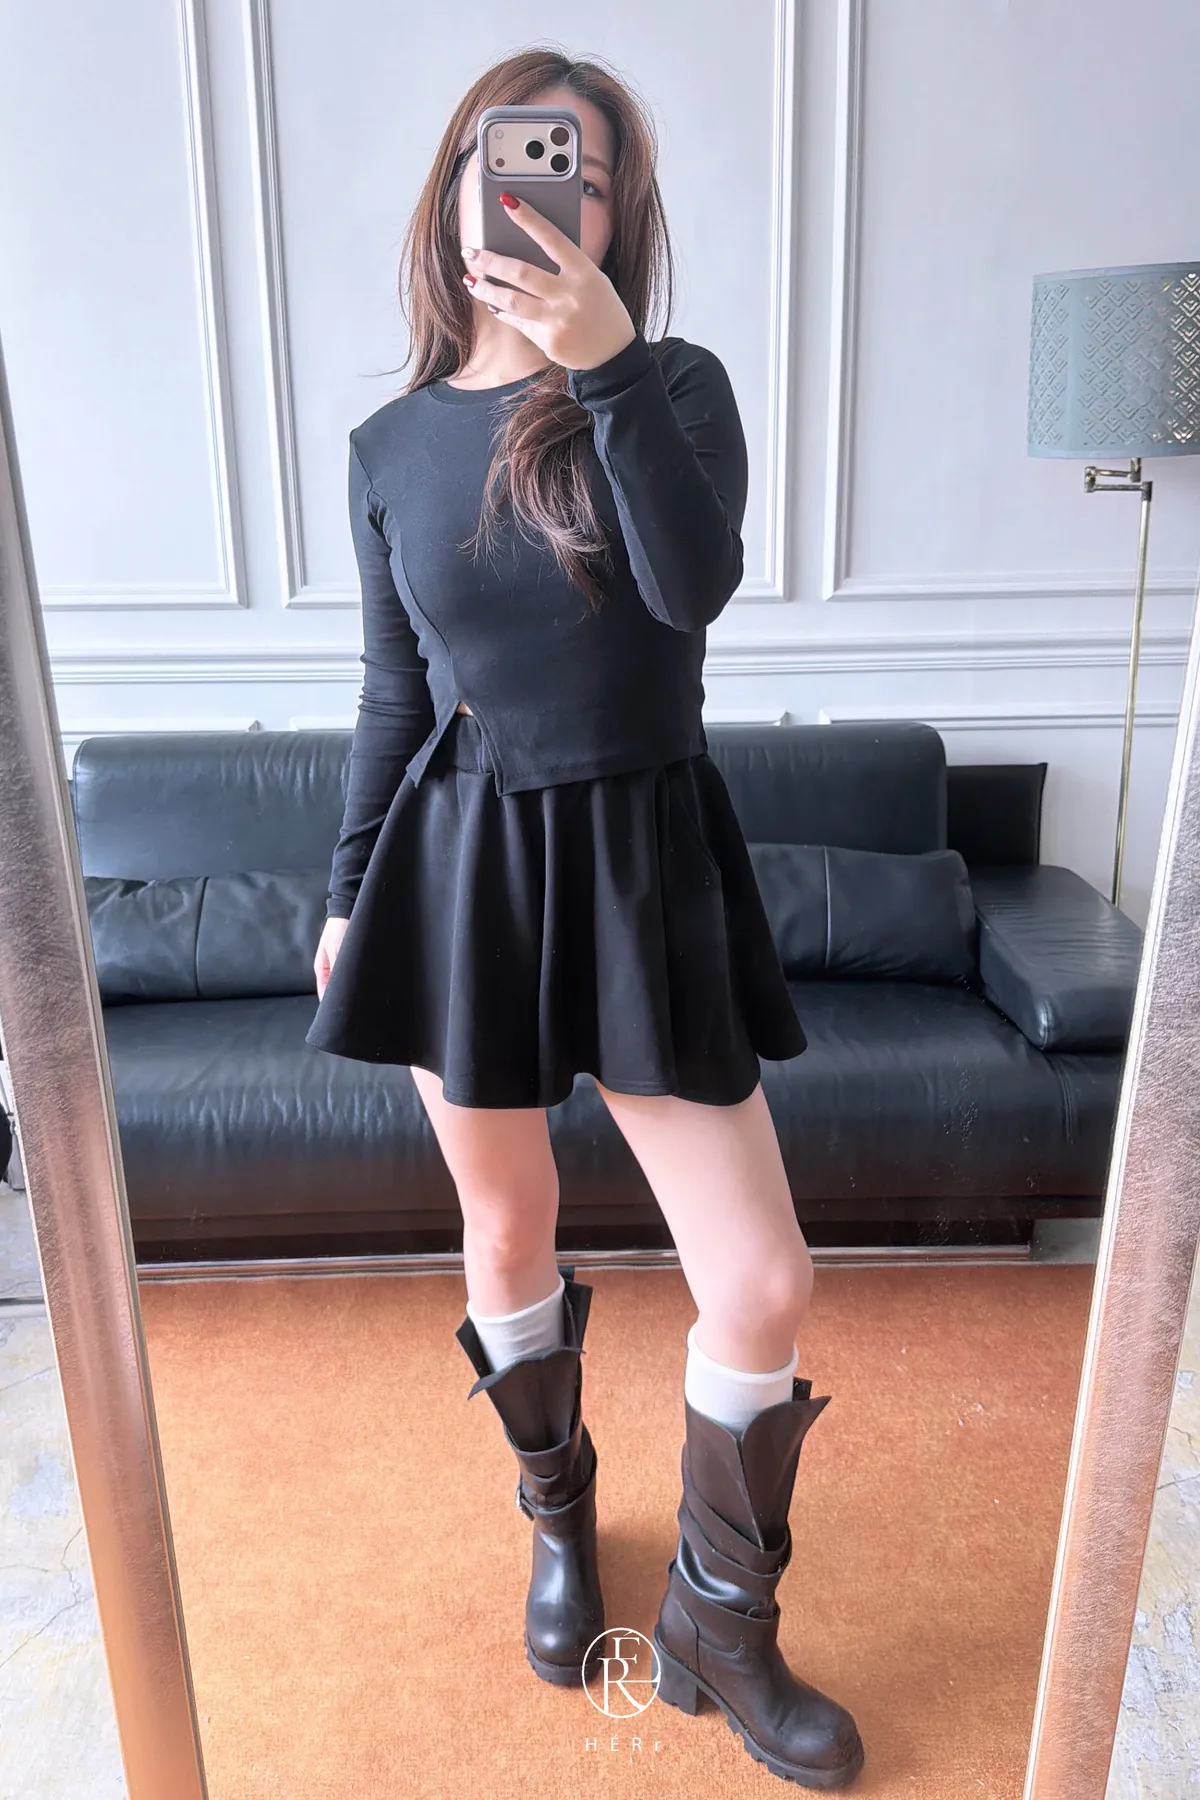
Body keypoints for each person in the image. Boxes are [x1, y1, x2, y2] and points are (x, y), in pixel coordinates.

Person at [306, 49, 864, 1791]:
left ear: (619, 214)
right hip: (458, 863)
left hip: (641, 857)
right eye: (518, 165)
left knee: (760, 1277)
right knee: (506, 1230)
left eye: (587, 176)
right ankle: (560, 1520)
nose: (551, 196)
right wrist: (345, 892)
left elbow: (692, 594)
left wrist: (604, 363)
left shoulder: (673, 385)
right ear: (457, 194)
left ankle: (719, 1618)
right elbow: (392, 696)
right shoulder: (389, 446)